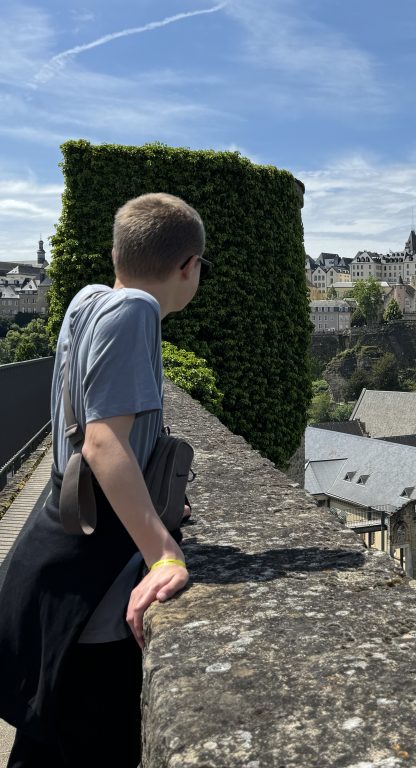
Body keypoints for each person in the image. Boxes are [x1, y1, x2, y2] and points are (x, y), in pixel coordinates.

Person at [0, 193, 209, 767]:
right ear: (188, 266)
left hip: (51, 566)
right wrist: (164, 551)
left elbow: (82, 427)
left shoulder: (89, 300)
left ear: (117, 253)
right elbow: (101, 442)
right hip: (94, 595)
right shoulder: (137, 310)